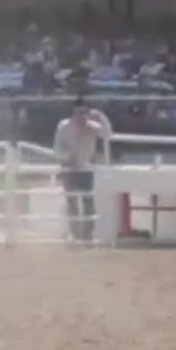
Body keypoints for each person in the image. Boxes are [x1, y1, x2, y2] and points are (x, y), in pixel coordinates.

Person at [53, 97, 112, 244]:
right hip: (69, 169)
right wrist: (67, 158)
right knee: (71, 201)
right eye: (79, 113)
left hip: (86, 170)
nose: (82, 116)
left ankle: (88, 235)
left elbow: (107, 134)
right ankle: (74, 234)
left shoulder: (92, 127)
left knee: (88, 202)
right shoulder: (64, 126)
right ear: (74, 112)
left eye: (85, 113)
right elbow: (57, 148)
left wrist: (101, 116)